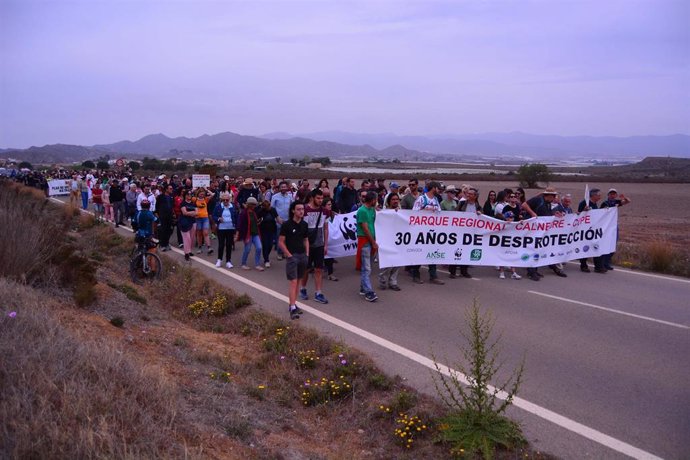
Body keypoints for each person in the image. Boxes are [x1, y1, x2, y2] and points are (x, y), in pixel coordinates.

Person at [522, 187, 568, 280]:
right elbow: (524, 205)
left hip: (541, 231)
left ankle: (535, 270)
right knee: (533, 249)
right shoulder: (538, 200)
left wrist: (555, 215)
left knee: (538, 250)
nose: (554, 198)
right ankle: (531, 272)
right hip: (532, 230)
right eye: (554, 196)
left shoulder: (547, 204)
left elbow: (546, 215)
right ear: (549, 195)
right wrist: (532, 214)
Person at [278, 201, 309, 320]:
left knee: (299, 282)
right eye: (299, 209)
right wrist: (289, 255)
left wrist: (307, 253)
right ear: (293, 211)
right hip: (292, 256)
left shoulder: (304, 224)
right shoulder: (287, 225)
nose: (301, 211)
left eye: (302, 209)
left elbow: (306, 240)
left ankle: (294, 303)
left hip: (302, 256)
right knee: (293, 282)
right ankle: (292, 308)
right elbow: (281, 242)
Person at [410, 181, 445, 285]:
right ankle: (415, 275)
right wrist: (423, 210)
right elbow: (413, 213)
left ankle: (433, 276)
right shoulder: (421, 199)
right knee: (419, 252)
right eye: (438, 188)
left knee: (432, 253)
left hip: (433, 231)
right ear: (433, 188)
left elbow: (440, 214)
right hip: (421, 231)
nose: (439, 190)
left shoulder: (435, 200)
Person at [299, 189, 330, 304]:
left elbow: (326, 228)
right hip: (306, 244)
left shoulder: (325, 211)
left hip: (319, 244)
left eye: (322, 198)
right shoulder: (304, 210)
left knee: (318, 269)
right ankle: (303, 288)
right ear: (312, 198)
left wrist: (326, 244)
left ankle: (318, 292)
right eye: (318, 198)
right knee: (306, 269)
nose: (320, 200)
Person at [600, 188, 631, 270]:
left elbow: (628, 201)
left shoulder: (616, 202)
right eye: (611, 194)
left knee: (613, 244)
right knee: (606, 244)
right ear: (608, 195)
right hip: (607, 226)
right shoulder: (605, 203)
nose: (612, 195)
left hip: (614, 226)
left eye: (614, 194)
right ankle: (603, 262)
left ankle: (607, 262)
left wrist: (624, 198)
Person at [357, 191, 378, 302]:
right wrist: (373, 242)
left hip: (370, 240)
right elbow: (365, 228)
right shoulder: (363, 211)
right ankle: (368, 291)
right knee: (367, 268)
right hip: (365, 241)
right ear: (373, 200)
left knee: (367, 266)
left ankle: (363, 287)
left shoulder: (371, 210)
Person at [577, 188, 605, 273]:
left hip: (593, 229)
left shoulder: (595, 204)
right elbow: (579, 214)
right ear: (593, 195)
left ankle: (598, 267)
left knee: (596, 246)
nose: (600, 196)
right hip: (585, 230)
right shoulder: (584, 203)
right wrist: (584, 210)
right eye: (599, 195)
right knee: (585, 247)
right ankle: (583, 265)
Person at [378, 192, 402, 291]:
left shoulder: (401, 212)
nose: (395, 201)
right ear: (389, 201)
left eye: (397, 199)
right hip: (386, 240)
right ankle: (383, 280)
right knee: (387, 263)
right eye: (393, 199)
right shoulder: (384, 212)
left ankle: (393, 282)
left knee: (397, 262)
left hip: (398, 241)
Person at [236, 196, 263, 270]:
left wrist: (258, 222)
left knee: (259, 247)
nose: (255, 206)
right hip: (248, 234)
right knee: (247, 249)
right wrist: (238, 233)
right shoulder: (244, 213)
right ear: (250, 204)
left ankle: (257, 264)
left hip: (255, 233)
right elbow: (240, 223)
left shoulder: (254, 212)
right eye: (254, 204)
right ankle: (243, 263)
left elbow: (254, 222)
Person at [212, 191, 238, 268]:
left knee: (229, 245)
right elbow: (214, 215)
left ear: (229, 199)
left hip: (230, 228)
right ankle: (219, 260)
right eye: (224, 200)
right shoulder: (218, 206)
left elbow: (236, 217)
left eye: (227, 200)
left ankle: (228, 261)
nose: (225, 201)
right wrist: (218, 218)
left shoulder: (233, 206)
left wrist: (236, 228)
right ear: (221, 200)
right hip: (221, 228)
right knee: (221, 245)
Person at [270, 180, 294, 260]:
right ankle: (279, 253)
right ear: (279, 188)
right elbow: (272, 209)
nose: (283, 188)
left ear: (287, 188)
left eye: (285, 187)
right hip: (278, 221)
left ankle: (285, 252)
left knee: (288, 238)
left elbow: (292, 208)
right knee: (279, 238)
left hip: (288, 220)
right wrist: (277, 218)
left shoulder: (290, 197)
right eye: (282, 187)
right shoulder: (275, 197)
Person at [257, 199, 278, 268]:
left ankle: (266, 256)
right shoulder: (261, 211)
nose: (268, 208)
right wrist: (258, 222)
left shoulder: (273, 210)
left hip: (272, 229)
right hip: (264, 230)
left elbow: (277, 218)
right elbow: (257, 219)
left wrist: (283, 223)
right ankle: (266, 260)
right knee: (265, 245)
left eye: (269, 206)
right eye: (266, 207)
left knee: (270, 245)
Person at [322, 198, 338, 281]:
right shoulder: (321, 214)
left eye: (331, 204)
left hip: (330, 239)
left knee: (330, 256)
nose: (330, 206)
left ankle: (330, 274)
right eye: (328, 204)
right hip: (321, 238)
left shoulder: (333, 214)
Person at [178, 190, 197, 261]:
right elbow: (184, 213)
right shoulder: (182, 203)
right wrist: (192, 212)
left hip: (193, 222)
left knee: (191, 238)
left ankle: (189, 251)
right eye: (188, 194)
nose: (189, 195)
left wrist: (190, 213)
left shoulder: (193, 203)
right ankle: (186, 253)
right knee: (187, 238)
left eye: (190, 194)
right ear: (185, 195)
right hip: (184, 222)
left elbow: (197, 212)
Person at [194, 188, 213, 255]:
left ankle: (209, 247)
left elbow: (212, 194)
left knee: (205, 233)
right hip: (198, 218)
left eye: (203, 194)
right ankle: (199, 248)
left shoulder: (205, 199)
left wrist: (206, 189)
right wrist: (196, 188)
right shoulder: (195, 199)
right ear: (198, 194)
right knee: (199, 234)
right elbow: (190, 193)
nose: (202, 195)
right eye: (201, 194)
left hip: (205, 218)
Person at [156, 184, 175, 251]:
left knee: (169, 230)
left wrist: (173, 214)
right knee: (163, 230)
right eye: (170, 188)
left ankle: (166, 243)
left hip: (169, 216)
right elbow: (157, 207)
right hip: (162, 216)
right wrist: (158, 215)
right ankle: (162, 245)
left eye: (172, 188)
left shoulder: (171, 197)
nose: (171, 190)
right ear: (166, 189)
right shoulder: (160, 197)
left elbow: (172, 207)